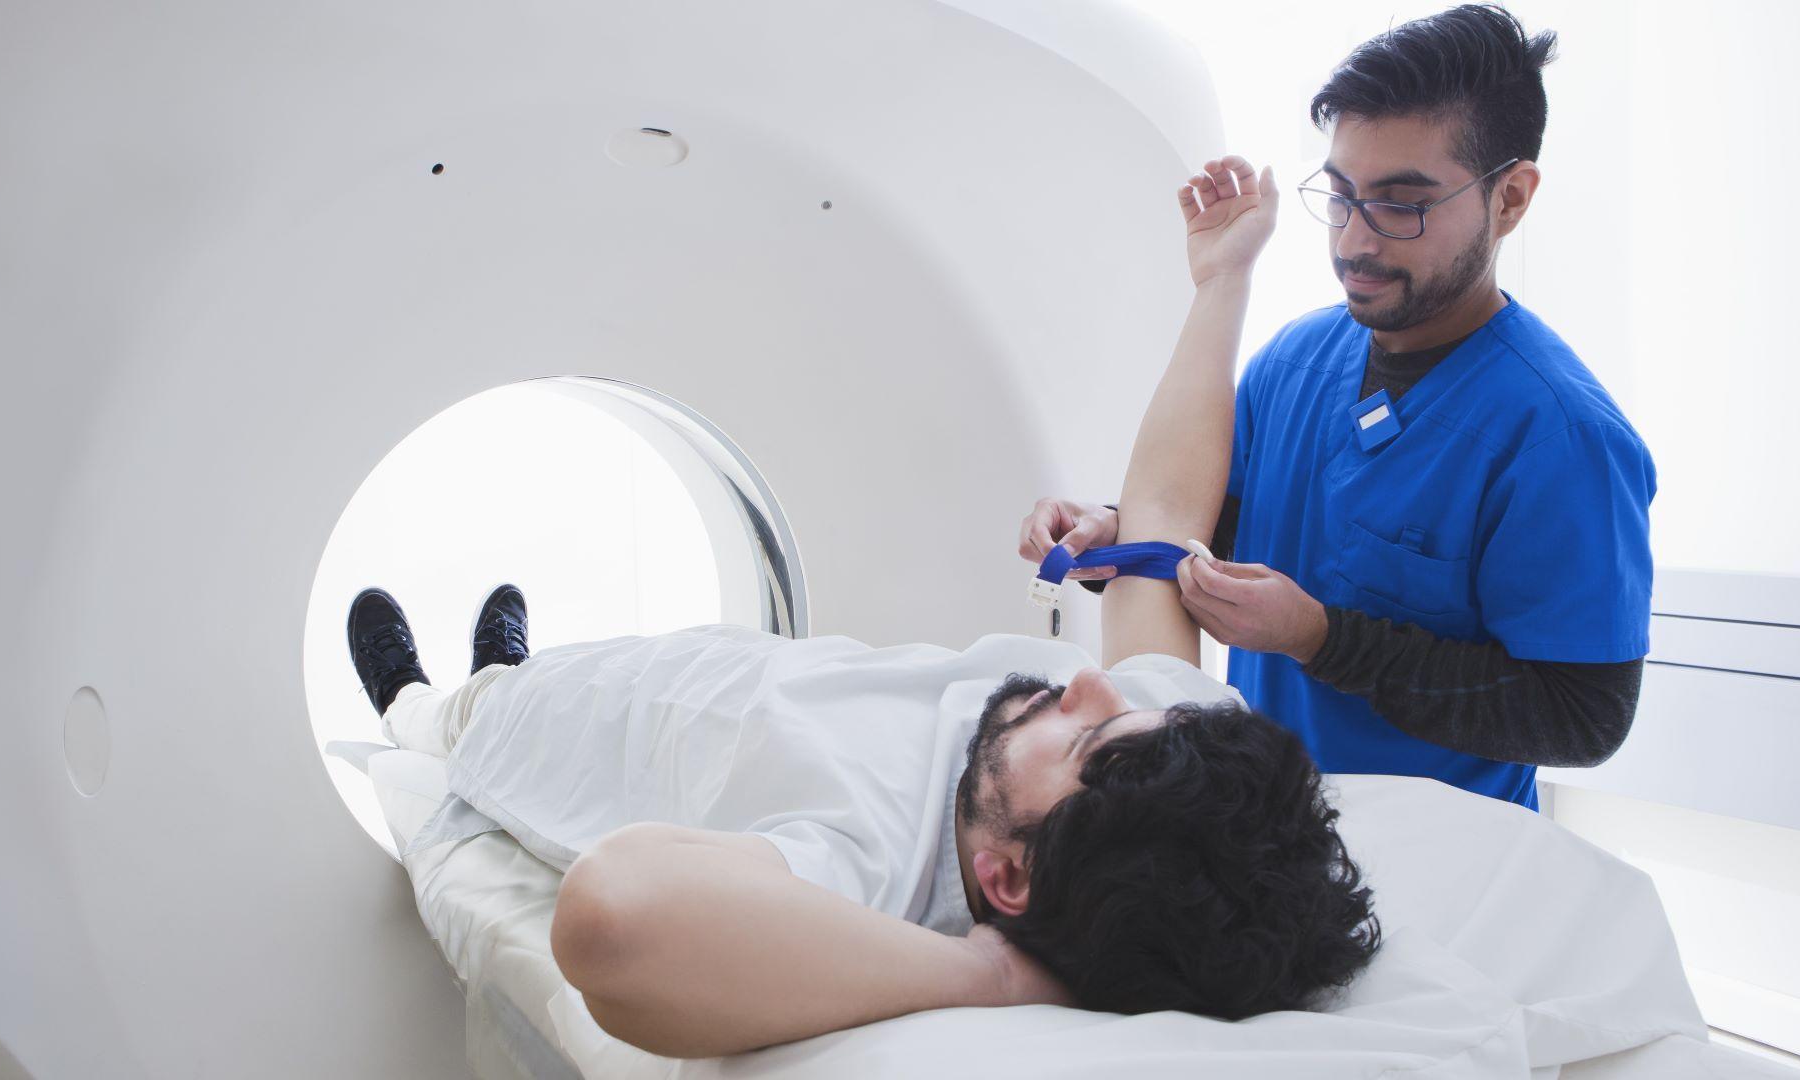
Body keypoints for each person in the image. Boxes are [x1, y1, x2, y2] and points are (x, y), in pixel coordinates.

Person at [343, 149, 1379, 1058]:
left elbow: (614, 917)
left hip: (554, 736)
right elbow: (1160, 526)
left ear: (1005, 882)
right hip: (696, 661)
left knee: (460, 718)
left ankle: (419, 696)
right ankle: (504, 658)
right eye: (1122, 709)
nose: (1090, 683)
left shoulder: (869, 868)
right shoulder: (1156, 762)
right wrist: (1223, 278)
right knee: (542, 662)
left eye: (1080, 741)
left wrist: (997, 979)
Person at [1021, 4, 1656, 810]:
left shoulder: (1561, 439)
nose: (1354, 241)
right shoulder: (1295, 362)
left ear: (1511, 199)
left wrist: (1319, 638)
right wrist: (1119, 534)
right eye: (1342, 194)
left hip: (1437, 849)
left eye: (1402, 203)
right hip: (1268, 821)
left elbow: (1583, 717)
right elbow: (1229, 530)